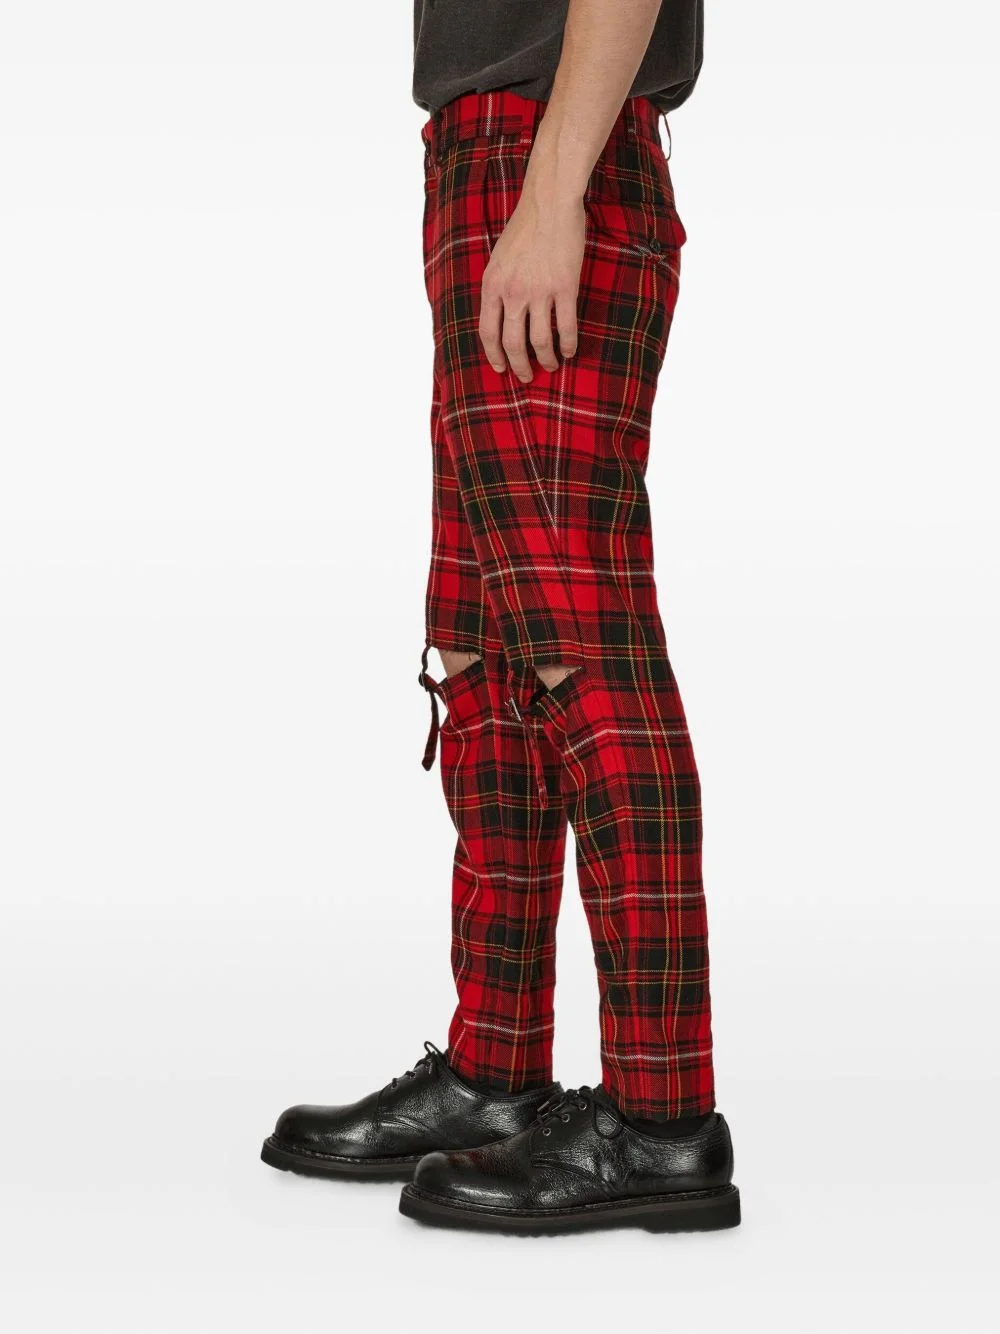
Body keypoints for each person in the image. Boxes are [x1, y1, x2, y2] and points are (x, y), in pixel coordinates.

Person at [261, 0, 740, 1235]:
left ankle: (660, 1118)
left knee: (581, 645)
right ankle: (495, 1069)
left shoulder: (553, 169)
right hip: (487, 155)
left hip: (553, 148)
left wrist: (552, 190)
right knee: (481, 645)